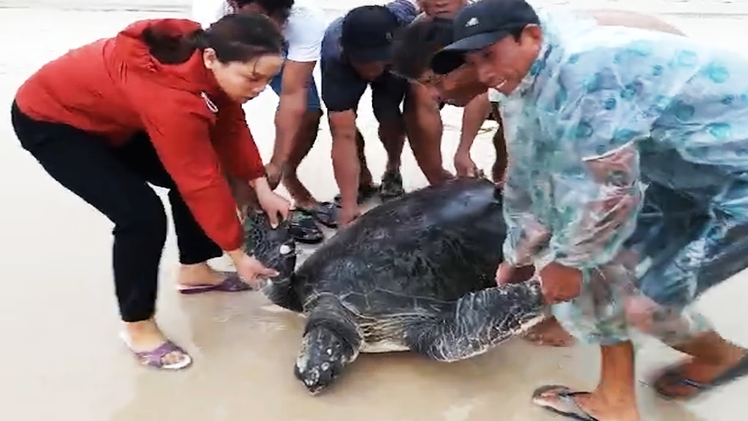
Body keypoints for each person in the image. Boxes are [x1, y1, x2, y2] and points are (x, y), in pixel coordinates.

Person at [431, 0, 748, 419]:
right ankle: (629, 392)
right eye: (473, 62)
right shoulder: (524, 86)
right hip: (687, 175)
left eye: (490, 55)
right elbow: (528, 178)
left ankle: (715, 359)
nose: (485, 73)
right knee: (604, 271)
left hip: (736, 186)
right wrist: (518, 257)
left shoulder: (584, 72)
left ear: (532, 35)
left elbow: (609, 189)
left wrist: (568, 261)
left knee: (642, 299)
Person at [11, 13, 291, 370]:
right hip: (52, 121)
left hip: (116, 118)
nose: (259, 88)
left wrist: (260, 186)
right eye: (252, 78)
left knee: (199, 175)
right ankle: (137, 325)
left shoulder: (208, 60)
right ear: (210, 59)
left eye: (268, 79)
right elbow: (198, 180)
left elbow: (230, 124)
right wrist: (238, 255)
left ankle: (194, 271)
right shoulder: (174, 99)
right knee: (140, 216)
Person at [192, 0, 341, 243]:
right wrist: (254, 179)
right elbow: (224, 112)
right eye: (262, 16)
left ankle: (289, 179)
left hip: (278, 55)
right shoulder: (212, 13)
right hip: (234, 57)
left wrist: (277, 164)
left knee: (309, 112)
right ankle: (252, 213)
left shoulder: (304, 20)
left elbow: (293, 94)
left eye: (279, 17)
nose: (272, 23)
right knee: (220, 122)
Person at [321, 0, 422, 226]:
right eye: (366, 61)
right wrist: (349, 206)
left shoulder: (405, 22)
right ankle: (362, 179)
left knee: (389, 115)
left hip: (394, 66)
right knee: (343, 127)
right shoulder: (334, 52)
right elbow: (342, 136)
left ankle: (392, 170)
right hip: (346, 69)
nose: (373, 69)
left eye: (378, 59)